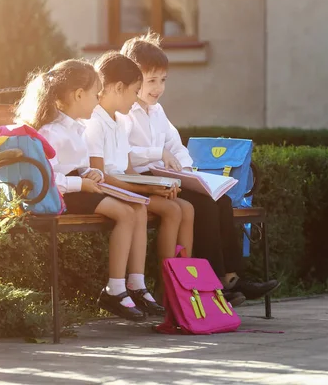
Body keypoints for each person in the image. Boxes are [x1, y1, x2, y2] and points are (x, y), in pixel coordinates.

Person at [120, 31, 279, 306]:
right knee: (203, 207)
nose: (158, 88)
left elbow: (176, 145)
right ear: (134, 81)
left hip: (168, 180)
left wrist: (186, 169)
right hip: (143, 180)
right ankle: (213, 281)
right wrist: (159, 154)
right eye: (151, 81)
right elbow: (125, 156)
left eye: (163, 80)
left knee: (221, 199)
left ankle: (230, 276)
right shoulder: (124, 112)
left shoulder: (157, 112)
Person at [15, 59, 152, 320]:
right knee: (125, 213)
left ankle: (134, 284)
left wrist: (93, 174)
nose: (98, 99)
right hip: (63, 195)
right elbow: (49, 179)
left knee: (136, 207)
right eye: (95, 94)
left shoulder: (75, 128)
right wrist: (82, 182)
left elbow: (81, 167)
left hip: (79, 189)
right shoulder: (53, 132)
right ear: (79, 95)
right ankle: (115, 289)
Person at [83, 51, 194, 309]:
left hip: (122, 186)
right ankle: (139, 288)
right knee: (151, 208)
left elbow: (129, 168)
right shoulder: (95, 122)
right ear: (119, 88)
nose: (136, 98)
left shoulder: (119, 121)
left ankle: (143, 285)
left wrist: (153, 186)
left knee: (165, 207)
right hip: (106, 187)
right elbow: (101, 176)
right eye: (135, 91)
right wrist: (144, 188)